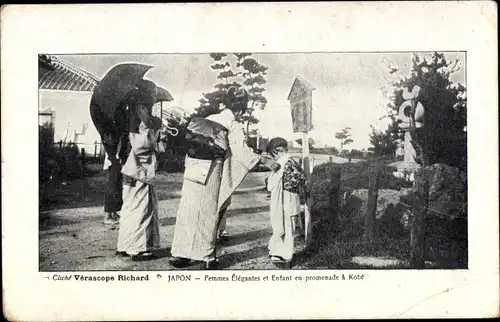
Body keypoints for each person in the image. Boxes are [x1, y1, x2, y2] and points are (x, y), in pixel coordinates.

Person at [170, 87, 280, 269]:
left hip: (193, 167)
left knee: (188, 209)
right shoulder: (233, 125)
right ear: (241, 109)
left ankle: (181, 254)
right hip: (211, 170)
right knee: (209, 211)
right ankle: (206, 257)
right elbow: (241, 152)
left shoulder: (209, 118)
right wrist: (262, 160)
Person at [115, 80, 168, 261]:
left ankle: (125, 244)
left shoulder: (135, 112)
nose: (154, 98)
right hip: (140, 169)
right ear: (146, 96)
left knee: (130, 207)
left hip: (131, 167)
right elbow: (141, 144)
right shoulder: (140, 115)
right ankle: (138, 248)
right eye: (152, 94)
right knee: (142, 208)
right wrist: (156, 131)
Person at [265, 137, 308, 269]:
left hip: (287, 199)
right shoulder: (287, 162)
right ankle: (278, 253)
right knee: (281, 227)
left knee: (288, 228)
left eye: (273, 155)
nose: (273, 159)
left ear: (276, 151)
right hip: (284, 198)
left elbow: (301, 179)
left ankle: (286, 257)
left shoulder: (288, 162)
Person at [90, 94, 131, 225]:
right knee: (113, 184)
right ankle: (108, 215)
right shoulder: (109, 123)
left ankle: (113, 212)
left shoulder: (113, 121)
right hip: (114, 156)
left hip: (116, 155)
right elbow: (111, 140)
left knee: (117, 183)